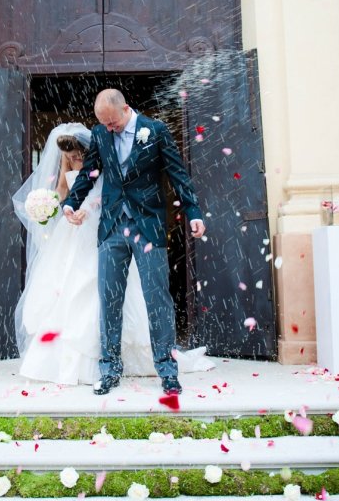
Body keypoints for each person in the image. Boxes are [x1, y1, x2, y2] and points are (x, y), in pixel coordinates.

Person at [12, 123, 211, 385]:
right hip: (74, 229)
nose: (75, 160)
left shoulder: (100, 151)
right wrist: (51, 204)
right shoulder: (67, 157)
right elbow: (64, 188)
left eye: (78, 156)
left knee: (109, 290)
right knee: (67, 286)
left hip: (104, 225)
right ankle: (92, 362)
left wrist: (90, 207)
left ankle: (131, 359)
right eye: (71, 158)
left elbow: (107, 189)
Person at [62, 89, 206, 396]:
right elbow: (89, 172)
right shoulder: (101, 134)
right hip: (112, 227)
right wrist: (71, 203)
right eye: (104, 124)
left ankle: (167, 371)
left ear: (126, 109)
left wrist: (193, 211)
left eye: (113, 123)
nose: (109, 129)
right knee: (109, 301)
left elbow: (178, 175)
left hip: (148, 227)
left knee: (158, 301)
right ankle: (110, 370)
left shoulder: (156, 131)